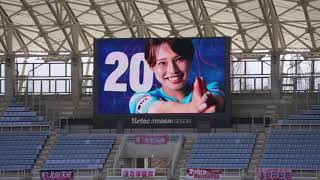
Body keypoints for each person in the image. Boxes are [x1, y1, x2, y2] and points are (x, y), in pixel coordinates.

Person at [129, 38, 224, 114]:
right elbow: (157, 109)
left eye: (179, 59)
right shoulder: (138, 99)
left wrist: (209, 102)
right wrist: (191, 108)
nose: (173, 70)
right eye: (162, 63)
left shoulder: (211, 87)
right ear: (151, 66)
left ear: (190, 59)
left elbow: (218, 99)